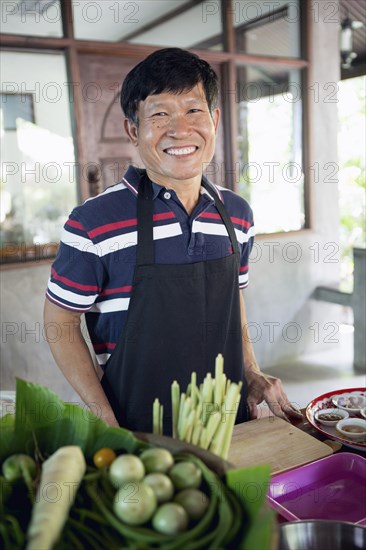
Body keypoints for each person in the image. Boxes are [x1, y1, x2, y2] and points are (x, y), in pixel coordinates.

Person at [44, 48, 302, 433]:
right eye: (160, 114)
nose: (180, 129)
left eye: (193, 110)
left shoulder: (237, 214)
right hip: (137, 435)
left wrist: (252, 371)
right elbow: (60, 322)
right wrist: (103, 416)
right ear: (133, 130)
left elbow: (235, 300)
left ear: (214, 120)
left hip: (229, 425)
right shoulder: (92, 223)